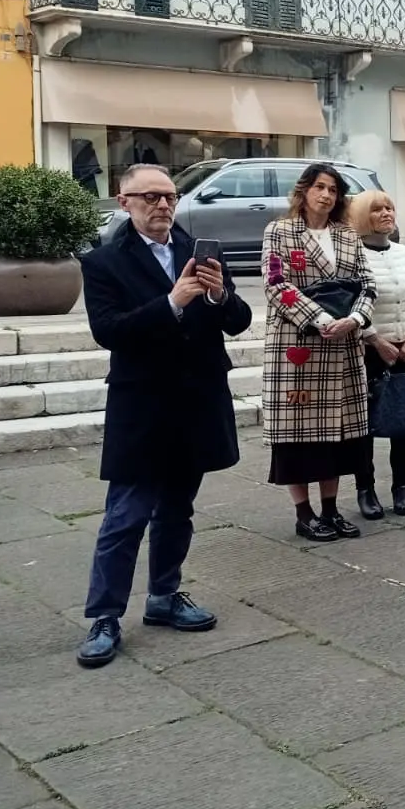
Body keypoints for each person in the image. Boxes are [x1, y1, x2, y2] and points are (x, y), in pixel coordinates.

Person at [76, 164, 253, 668]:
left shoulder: (199, 250)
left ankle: (163, 595)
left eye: (170, 196)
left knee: (178, 509)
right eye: (150, 196)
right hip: (144, 403)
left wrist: (219, 295)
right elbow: (109, 331)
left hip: (197, 399)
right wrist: (172, 302)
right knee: (126, 515)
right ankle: (105, 615)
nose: (162, 205)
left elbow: (238, 321)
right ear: (124, 201)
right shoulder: (104, 262)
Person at [262, 164, 378, 542]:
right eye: (319, 187)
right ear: (304, 191)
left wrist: (355, 318)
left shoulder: (347, 235)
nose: (326, 195)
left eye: (333, 189)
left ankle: (331, 509)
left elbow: (367, 283)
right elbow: (276, 284)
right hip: (298, 345)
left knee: (338, 435)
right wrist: (321, 318)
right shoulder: (279, 231)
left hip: (343, 343)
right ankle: (304, 513)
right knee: (297, 436)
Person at [348, 190, 405, 519]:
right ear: (361, 216)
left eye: (390, 208)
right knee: (365, 423)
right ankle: (365, 488)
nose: (387, 213)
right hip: (369, 349)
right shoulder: (352, 256)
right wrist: (374, 339)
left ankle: (402, 486)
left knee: (403, 417)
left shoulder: (404, 254)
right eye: (377, 209)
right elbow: (348, 302)